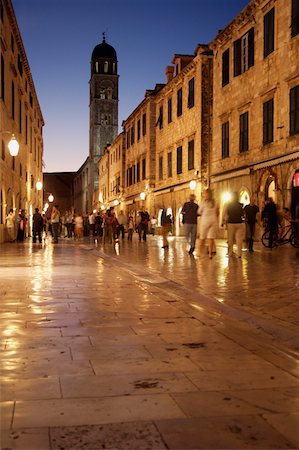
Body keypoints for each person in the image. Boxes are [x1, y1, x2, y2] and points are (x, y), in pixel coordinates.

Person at [198, 189, 219, 259]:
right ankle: (210, 254)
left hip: (205, 220)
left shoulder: (204, 202)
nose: (204, 195)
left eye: (204, 193)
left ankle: (199, 253)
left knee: (202, 238)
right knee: (211, 238)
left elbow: (199, 211)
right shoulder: (215, 201)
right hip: (214, 220)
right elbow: (217, 212)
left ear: (206, 194)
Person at [222, 192, 245, 258]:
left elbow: (226, 214)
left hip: (231, 223)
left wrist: (223, 221)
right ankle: (239, 254)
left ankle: (230, 253)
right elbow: (242, 214)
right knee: (239, 239)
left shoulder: (228, 204)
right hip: (239, 223)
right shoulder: (240, 205)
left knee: (230, 239)